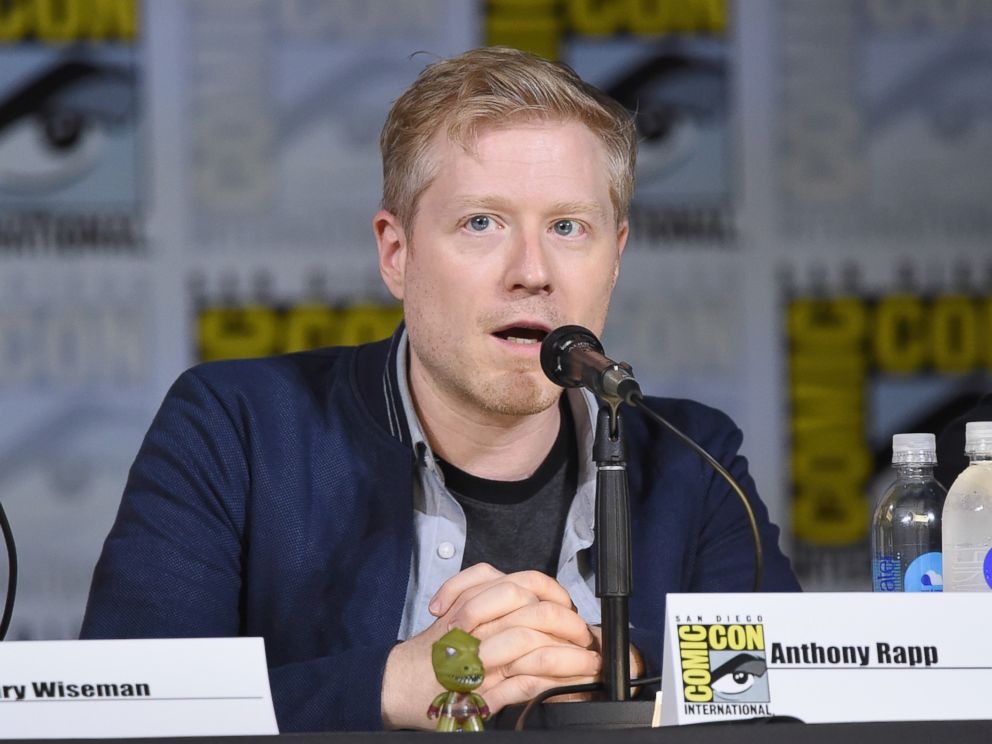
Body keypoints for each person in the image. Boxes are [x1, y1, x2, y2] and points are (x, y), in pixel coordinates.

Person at [81, 46, 800, 731]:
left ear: (614, 257)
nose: (532, 270)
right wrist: (393, 684)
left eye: (568, 226)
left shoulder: (694, 460)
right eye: (481, 222)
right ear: (397, 254)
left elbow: (804, 688)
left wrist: (616, 665)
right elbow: (124, 705)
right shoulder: (236, 428)